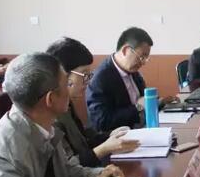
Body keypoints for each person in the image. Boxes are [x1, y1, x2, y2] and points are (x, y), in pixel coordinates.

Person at [47, 37, 140, 167]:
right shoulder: (50, 115)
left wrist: (110, 135)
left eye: (89, 75)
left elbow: (84, 139)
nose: (88, 81)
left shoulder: (67, 103)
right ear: (64, 75)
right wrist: (105, 148)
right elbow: (67, 169)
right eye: (84, 75)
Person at [86, 27, 175, 132]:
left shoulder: (133, 71)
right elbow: (101, 122)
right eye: (141, 57)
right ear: (125, 50)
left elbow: (143, 101)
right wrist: (137, 107)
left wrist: (160, 102)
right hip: (121, 136)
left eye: (146, 58)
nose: (143, 62)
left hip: (142, 129)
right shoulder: (100, 79)